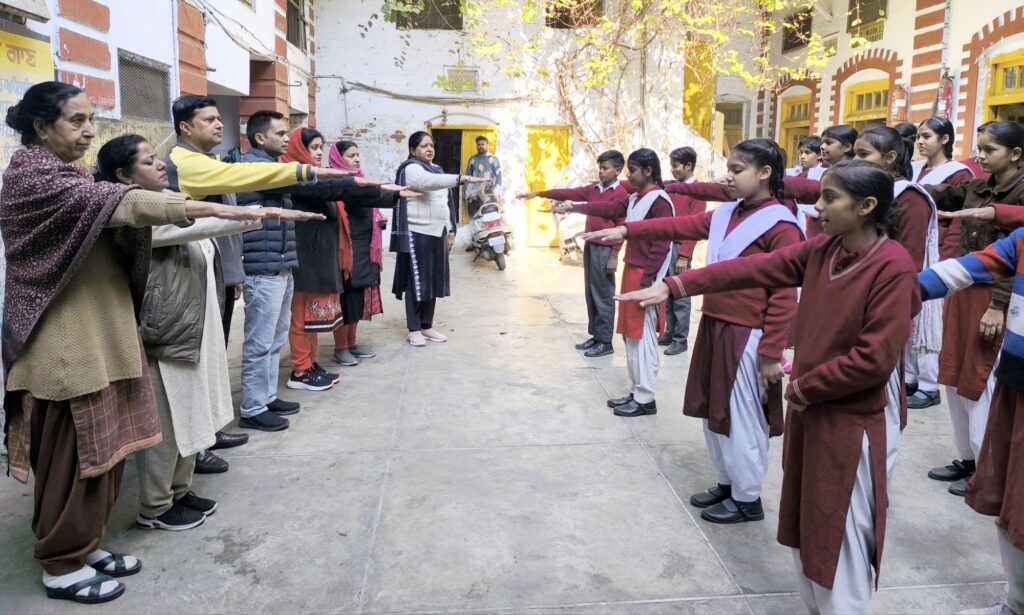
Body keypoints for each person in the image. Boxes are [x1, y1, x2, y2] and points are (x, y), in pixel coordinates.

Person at [0, 81, 267, 603]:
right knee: (72, 462)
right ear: (41, 127)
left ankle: (84, 545)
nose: (89, 132)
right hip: (64, 349)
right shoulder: (34, 179)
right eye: (77, 121)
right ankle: (60, 563)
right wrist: (226, 212)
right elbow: (122, 202)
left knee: (103, 456)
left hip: (100, 338)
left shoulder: (69, 176)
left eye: (90, 119)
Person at [617, 159, 920, 615]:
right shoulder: (825, 249)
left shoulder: (892, 266)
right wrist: (676, 285)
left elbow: (873, 360)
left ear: (867, 206)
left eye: (829, 198)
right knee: (806, 521)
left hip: (850, 423)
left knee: (841, 532)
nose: (817, 208)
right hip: (812, 410)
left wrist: (802, 389)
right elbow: (753, 269)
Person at [95, 135, 321, 530]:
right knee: (169, 423)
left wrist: (253, 215)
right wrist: (259, 213)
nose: (161, 165)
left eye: (157, 158)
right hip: (165, 330)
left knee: (193, 414)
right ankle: (155, 507)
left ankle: (180, 491)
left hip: (191, 326)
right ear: (123, 175)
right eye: (148, 162)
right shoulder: (132, 214)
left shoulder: (170, 200)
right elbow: (196, 225)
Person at [586, 139, 802, 524]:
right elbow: (679, 225)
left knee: (742, 415)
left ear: (765, 173)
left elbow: (786, 293)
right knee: (713, 410)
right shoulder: (728, 213)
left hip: (748, 334)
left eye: (737, 170)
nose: (727, 177)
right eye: (728, 169)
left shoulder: (781, 225)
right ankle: (728, 482)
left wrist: (772, 351)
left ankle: (747, 497)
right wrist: (627, 231)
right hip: (716, 323)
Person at [162, 97, 355, 435]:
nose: (219, 124)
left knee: (272, 339)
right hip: (244, 267)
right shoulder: (198, 163)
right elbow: (245, 188)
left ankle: (264, 398)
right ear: (185, 127)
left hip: (268, 264)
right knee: (252, 343)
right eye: (209, 120)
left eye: (219, 118)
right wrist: (311, 170)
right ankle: (250, 408)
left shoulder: (214, 162)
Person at [918, 202, 1024, 615]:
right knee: (1011, 502)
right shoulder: (1020, 241)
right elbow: (965, 269)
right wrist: (894, 289)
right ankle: (1015, 603)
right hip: (1016, 384)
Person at [923, 120, 1024, 498]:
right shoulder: (978, 187)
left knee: (982, 380)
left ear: (1015, 154)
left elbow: (1015, 257)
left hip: (994, 298)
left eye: (989, 149)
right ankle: (967, 457)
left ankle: (988, 469)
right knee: (955, 377)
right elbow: (942, 195)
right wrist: (901, 187)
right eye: (979, 148)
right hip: (964, 289)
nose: (980, 156)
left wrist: (998, 305)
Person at [552, 149, 674, 417]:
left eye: (633, 170)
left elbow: (661, 245)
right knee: (631, 334)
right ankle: (637, 390)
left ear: (649, 172)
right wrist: (574, 207)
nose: (629, 175)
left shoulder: (660, 202)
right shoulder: (636, 197)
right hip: (634, 270)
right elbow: (607, 209)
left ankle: (645, 398)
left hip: (646, 275)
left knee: (642, 336)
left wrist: (647, 282)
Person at [285, 128, 407, 382]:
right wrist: (362, 184)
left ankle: (311, 364)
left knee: (313, 319)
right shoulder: (296, 177)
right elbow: (339, 191)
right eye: (313, 148)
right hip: (307, 259)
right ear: (299, 149)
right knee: (302, 319)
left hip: (323, 257)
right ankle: (301, 369)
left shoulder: (316, 177)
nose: (318, 152)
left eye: (320, 147)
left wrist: (390, 194)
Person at [516, 150, 627, 357]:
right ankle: (596, 336)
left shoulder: (620, 194)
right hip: (590, 245)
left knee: (603, 295)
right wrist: (540, 193)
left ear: (617, 170)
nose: (601, 172)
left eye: (605, 168)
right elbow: (569, 193)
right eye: (600, 167)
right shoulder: (594, 189)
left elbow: (622, 225)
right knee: (591, 293)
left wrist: (614, 255)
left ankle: (605, 341)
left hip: (605, 249)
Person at [392, 131, 490, 346]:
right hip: (417, 233)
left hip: (438, 233)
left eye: (431, 145)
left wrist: (451, 232)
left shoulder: (437, 169)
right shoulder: (411, 169)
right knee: (416, 281)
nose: (429, 149)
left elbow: (446, 203)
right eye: (424, 146)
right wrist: (463, 178)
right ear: (412, 150)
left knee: (433, 280)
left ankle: (426, 326)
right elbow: (428, 182)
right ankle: (414, 329)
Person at [328, 140, 402, 366]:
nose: (357, 159)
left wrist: (378, 221)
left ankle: (351, 344)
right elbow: (367, 197)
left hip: (364, 251)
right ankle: (340, 348)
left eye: (358, 154)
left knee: (357, 299)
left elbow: (368, 207)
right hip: (348, 251)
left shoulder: (360, 178)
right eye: (351, 156)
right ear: (339, 159)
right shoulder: (339, 183)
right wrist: (398, 193)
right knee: (346, 300)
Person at [659, 146, 706, 355]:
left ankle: (681, 339)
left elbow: (695, 227)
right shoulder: (672, 187)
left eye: (676, 166)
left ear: (688, 166)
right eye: (671, 166)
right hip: (667, 245)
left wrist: (684, 255)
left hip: (681, 248)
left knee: (680, 294)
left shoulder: (697, 191)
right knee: (667, 292)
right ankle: (669, 332)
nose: (673, 170)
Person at [914, 116, 976, 261]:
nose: (920, 141)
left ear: (944, 139)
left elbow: (959, 220)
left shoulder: (959, 173)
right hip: (911, 237)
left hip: (937, 245)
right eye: (918, 137)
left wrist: (946, 257)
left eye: (926, 136)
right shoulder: (912, 168)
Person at [465, 135, 502, 217]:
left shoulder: (493, 159)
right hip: (474, 196)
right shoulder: (472, 160)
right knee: (474, 219)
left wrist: (497, 194)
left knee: (490, 219)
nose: (480, 146)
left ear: (487, 145)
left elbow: (498, 178)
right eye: (478, 145)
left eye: (483, 144)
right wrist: (467, 194)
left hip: (489, 195)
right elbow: (467, 177)